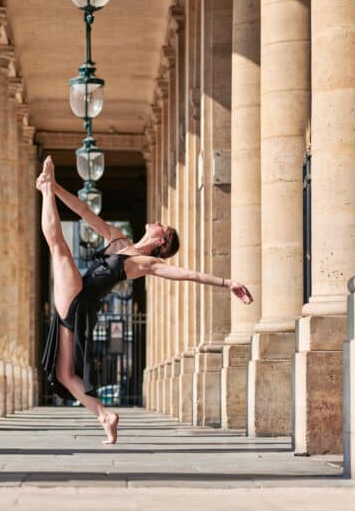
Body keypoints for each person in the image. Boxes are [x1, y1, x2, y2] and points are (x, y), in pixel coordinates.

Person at [36, 156, 253, 444]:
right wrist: (59, 187)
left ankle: (44, 191)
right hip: (82, 298)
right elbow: (84, 211)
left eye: (162, 226)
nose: (157, 221)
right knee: (64, 374)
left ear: (161, 241)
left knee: (58, 247)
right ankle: (105, 417)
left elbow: (187, 275)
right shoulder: (119, 239)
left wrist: (227, 282)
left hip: (81, 295)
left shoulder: (145, 263)